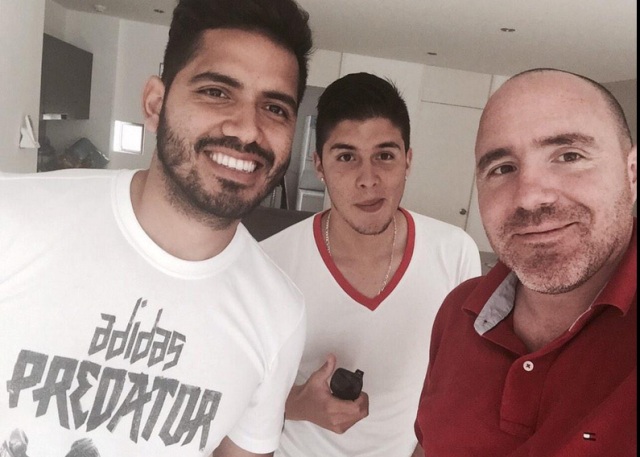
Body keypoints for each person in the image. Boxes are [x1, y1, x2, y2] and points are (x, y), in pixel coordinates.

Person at [0, 0, 312, 455]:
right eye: (216, 92)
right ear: (154, 104)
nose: (248, 130)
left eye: (275, 108)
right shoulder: (13, 217)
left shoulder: (279, 315)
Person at [415, 68, 637, 456]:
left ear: (631, 174)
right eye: (502, 168)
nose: (530, 197)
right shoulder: (458, 312)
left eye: (569, 156)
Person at [260, 72, 482, 457]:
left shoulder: (454, 252)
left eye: (385, 155)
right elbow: (228, 390)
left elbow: (460, 381)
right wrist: (298, 405)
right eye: (346, 157)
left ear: (408, 161)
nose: (368, 179)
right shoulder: (269, 262)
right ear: (319, 165)